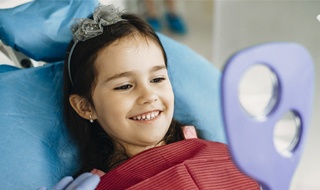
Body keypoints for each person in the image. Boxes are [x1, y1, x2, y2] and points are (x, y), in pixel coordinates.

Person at [56, 4, 259, 189]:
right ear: (85, 107)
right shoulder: (95, 185)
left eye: (157, 79)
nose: (148, 96)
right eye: (125, 86)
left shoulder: (211, 149)